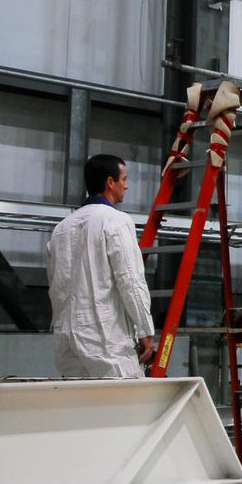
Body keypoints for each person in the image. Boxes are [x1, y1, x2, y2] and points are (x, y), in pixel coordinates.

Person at [46, 154, 155, 378]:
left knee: (78, 406)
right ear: (110, 182)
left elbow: (54, 283)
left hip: (65, 336)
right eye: (124, 178)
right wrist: (145, 329)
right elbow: (130, 281)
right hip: (103, 336)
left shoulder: (62, 228)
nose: (127, 184)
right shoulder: (115, 220)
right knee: (123, 405)